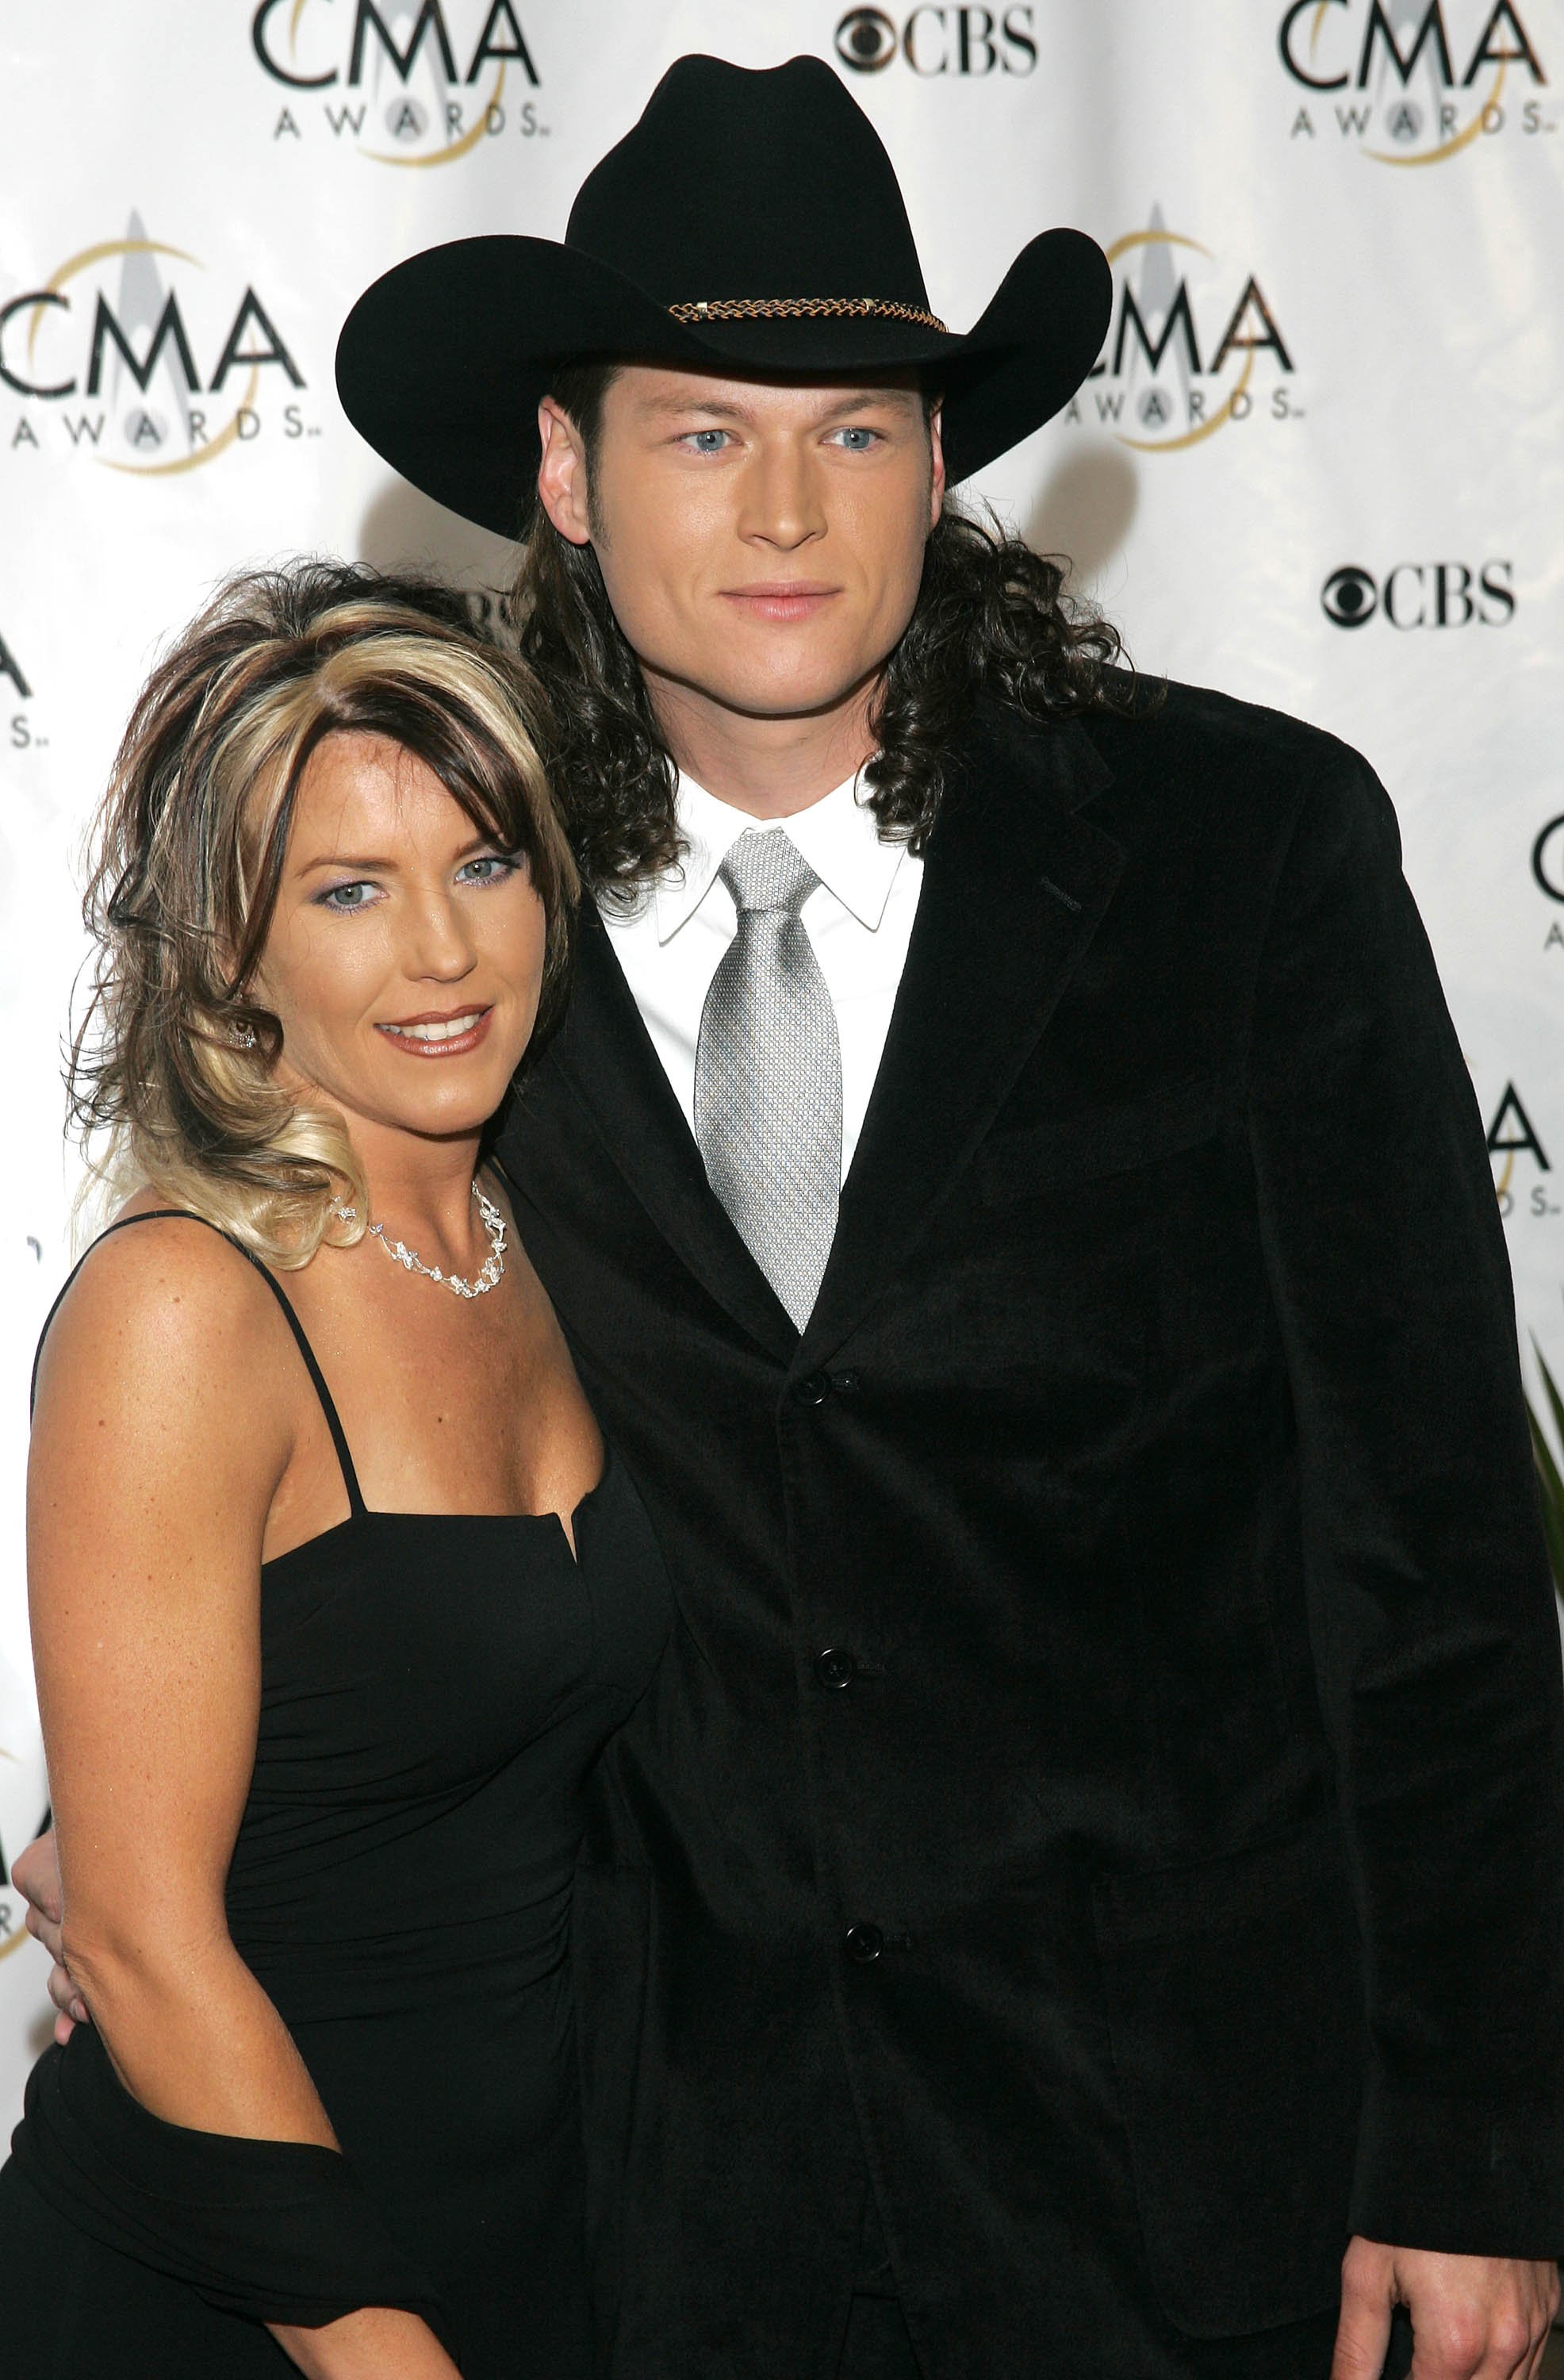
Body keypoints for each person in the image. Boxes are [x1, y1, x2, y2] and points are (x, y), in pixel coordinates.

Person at [22, 48, 1564, 2380]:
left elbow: (1432, 1558)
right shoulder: (460, 947)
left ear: (940, 466)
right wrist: (161, 1910)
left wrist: (1467, 2161)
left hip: (1193, 2187)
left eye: (851, 427)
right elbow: (321, 1489)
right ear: (561, 470)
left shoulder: (1240, 859)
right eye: (699, 429)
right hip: (669, 2226)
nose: (780, 510)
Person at [0, 562, 670, 2378]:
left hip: (531, 2247)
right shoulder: (183, 1308)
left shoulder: (563, 1234)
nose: (442, 953)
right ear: (233, 945)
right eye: (349, 892)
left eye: (482, 865)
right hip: (244, 2291)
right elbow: (143, 1945)